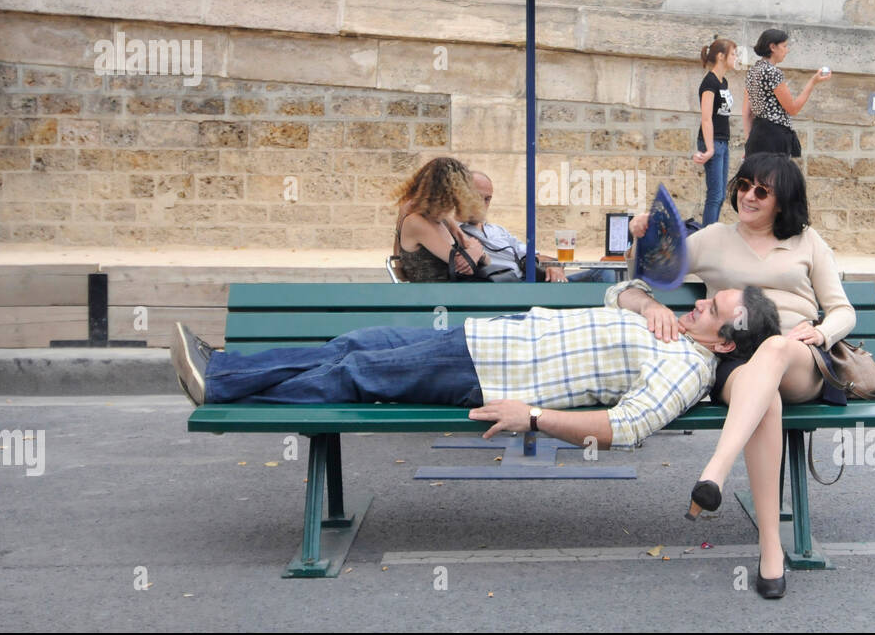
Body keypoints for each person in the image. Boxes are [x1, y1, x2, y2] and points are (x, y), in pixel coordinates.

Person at [169, 281, 781, 452]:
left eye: (713, 307)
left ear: (726, 343)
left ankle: (221, 383)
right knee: (353, 346)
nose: (700, 301)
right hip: (483, 338)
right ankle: (226, 368)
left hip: (489, 370)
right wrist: (648, 303)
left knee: (356, 373)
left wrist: (534, 417)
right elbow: (617, 290)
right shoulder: (673, 326)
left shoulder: (687, 370)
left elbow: (628, 427)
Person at [629, 152, 855, 599]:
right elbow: (647, 274)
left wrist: (822, 331)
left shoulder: (807, 242)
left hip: (798, 355)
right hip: (734, 360)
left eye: (761, 191)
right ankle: (771, 550)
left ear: (781, 201)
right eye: (744, 185)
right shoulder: (713, 238)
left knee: (772, 349)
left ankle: (715, 469)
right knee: (761, 394)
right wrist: (642, 238)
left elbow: (844, 309)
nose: (747, 196)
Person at [460, 171, 615, 283]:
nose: (483, 204)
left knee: (604, 272)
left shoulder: (497, 230)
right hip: (509, 288)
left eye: (487, 199)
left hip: (536, 284)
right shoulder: (456, 232)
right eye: (477, 197)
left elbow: (531, 254)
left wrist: (553, 265)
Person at [392, 157, 489, 282]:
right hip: (433, 297)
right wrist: (476, 250)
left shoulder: (443, 219)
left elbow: (486, 260)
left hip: (453, 292)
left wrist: (475, 251)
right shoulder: (415, 222)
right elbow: (465, 265)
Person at [743, 27, 831, 158]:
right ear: (773, 47)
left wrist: (748, 142)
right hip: (774, 135)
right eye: (784, 46)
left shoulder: (753, 71)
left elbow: (747, 112)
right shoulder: (773, 73)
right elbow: (793, 109)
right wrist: (812, 82)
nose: (787, 50)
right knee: (775, 177)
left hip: (756, 135)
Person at [694, 37, 737, 227]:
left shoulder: (723, 81)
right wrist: (710, 148)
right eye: (733, 54)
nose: (736, 58)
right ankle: (707, 238)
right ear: (721, 56)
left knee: (720, 196)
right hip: (712, 142)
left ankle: (710, 234)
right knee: (715, 195)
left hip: (722, 141)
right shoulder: (709, 82)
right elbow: (706, 117)